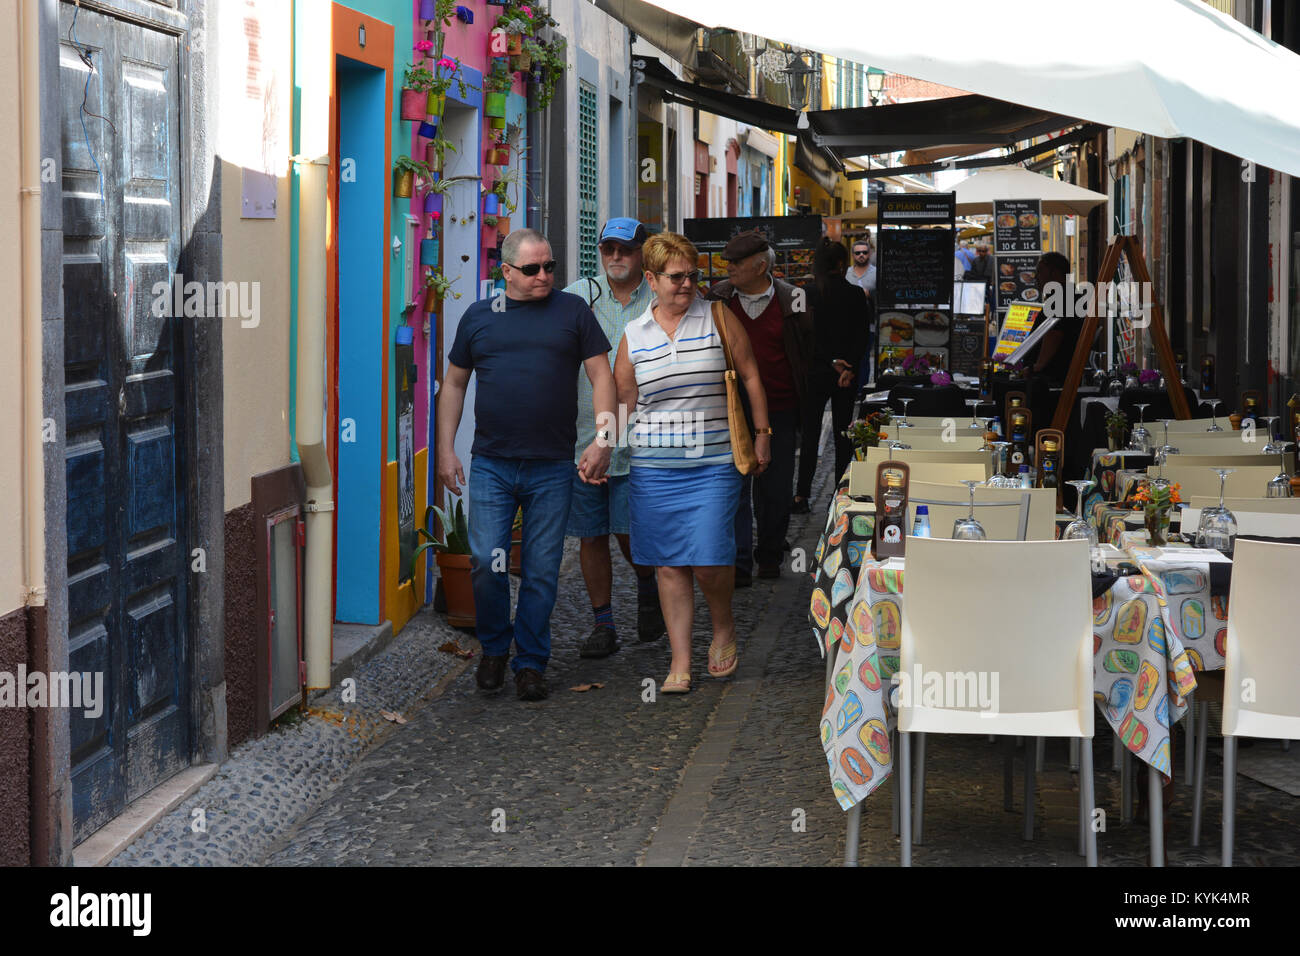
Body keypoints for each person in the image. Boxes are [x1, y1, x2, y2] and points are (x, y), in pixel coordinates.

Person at [437, 229, 615, 702]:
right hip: (492, 464)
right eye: (533, 269)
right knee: (484, 562)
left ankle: (531, 661)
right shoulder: (479, 317)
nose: (544, 276)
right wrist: (445, 449)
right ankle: (495, 646)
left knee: (541, 569)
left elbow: (602, 376)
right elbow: (453, 384)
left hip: (552, 466)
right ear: (506, 272)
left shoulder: (572, 312)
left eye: (550, 267)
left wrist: (603, 440)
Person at [613, 232, 772, 694]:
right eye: (676, 277)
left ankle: (722, 626)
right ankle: (680, 661)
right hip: (654, 469)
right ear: (651, 280)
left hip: (716, 463)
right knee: (668, 565)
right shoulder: (633, 335)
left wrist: (763, 435)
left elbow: (751, 377)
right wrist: (603, 445)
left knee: (707, 556)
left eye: (693, 276)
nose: (687, 285)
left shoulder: (718, 316)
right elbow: (624, 400)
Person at [561, 218, 665, 658]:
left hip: (641, 437)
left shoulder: (658, 297)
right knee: (591, 534)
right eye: (608, 249)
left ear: (643, 252)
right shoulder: (578, 296)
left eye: (625, 249)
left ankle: (646, 585)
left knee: (631, 533)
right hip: (585, 438)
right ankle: (603, 623)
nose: (616, 257)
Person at [705, 229, 813, 582]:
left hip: (781, 405)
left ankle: (769, 554)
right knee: (733, 484)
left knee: (776, 485)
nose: (728, 267)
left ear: (761, 265)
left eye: (736, 262)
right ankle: (738, 562)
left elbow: (808, 348)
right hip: (730, 408)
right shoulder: (718, 297)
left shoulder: (792, 299)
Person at [793, 242, 872, 513]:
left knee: (810, 435)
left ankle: (801, 496)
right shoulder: (856, 294)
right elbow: (863, 335)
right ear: (841, 264)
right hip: (846, 375)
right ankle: (840, 494)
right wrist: (848, 368)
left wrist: (829, 362)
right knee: (842, 435)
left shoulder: (804, 293)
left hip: (816, 372)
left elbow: (801, 338)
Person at [1024, 251, 1083, 386]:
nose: (1036, 277)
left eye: (1040, 272)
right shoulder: (1064, 296)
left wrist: (1038, 366)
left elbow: (1054, 334)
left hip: (1051, 380)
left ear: (1055, 273)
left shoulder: (1063, 298)